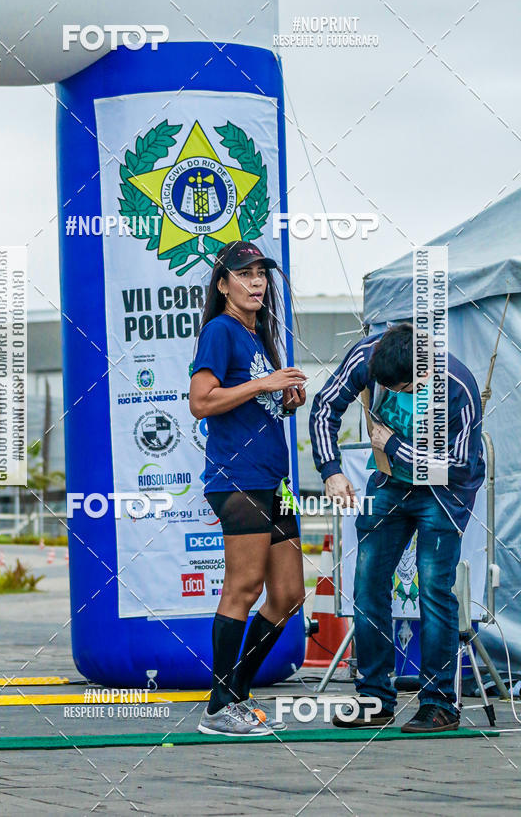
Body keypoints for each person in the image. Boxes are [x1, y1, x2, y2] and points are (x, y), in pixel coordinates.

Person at [309, 323, 485, 733]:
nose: (397, 395)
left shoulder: (458, 386)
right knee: (368, 582)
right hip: (389, 483)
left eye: (404, 388)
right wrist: (331, 471)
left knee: (434, 588)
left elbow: (457, 465)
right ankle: (374, 698)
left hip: (444, 492)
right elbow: (323, 407)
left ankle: (439, 703)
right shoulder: (366, 356)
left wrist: (392, 446)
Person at [189, 240, 307, 736]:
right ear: (223, 285)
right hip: (237, 481)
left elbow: (258, 407)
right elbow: (200, 402)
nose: (256, 281)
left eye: (261, 273)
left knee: (289, 595)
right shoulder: (220, 330)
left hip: (273, 482)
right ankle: (219, 708)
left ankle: (236, 691)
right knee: (244, 587)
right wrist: (262, 385)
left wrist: (287, 398)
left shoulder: (258, 338)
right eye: (244, 274)